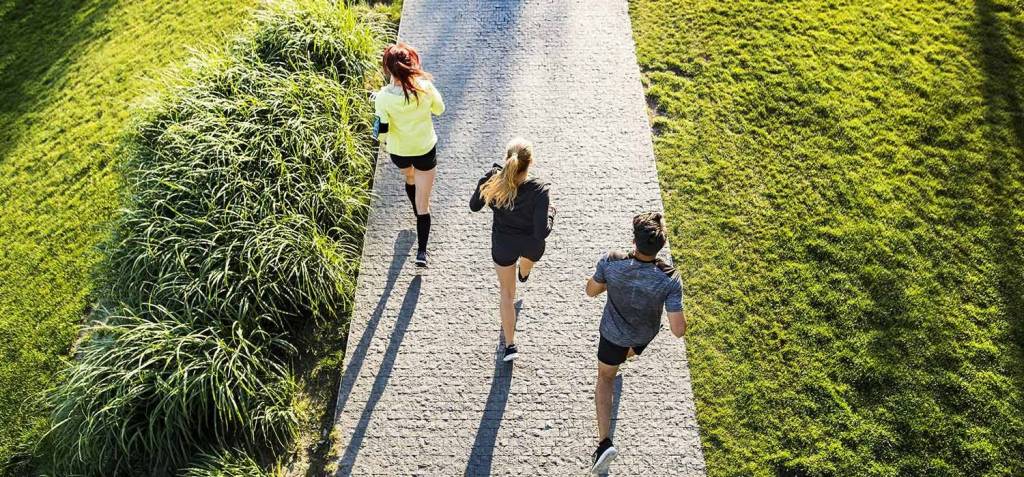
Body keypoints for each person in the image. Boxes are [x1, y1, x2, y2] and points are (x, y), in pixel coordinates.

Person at [584, 212, 687, 473]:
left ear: (634, 240)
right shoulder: (670, 277)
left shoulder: (611, 261)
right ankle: (621, 360)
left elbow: (591, 291)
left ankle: (604, 444)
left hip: (612, 335)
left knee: (605, 378)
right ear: (661, 245)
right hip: (642, 336)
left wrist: (610, 282)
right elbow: (678, 330)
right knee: (624, 355)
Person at [470, 138, 555, 363]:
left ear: (507, 158)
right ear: (530, 162)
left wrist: (485, 180)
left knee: (507, 294)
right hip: (530, 244)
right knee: (527, 264)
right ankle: (524, 274)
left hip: (504, 244)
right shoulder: (539, 190)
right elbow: (541, 232)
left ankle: (510, 346)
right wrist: (551, 215)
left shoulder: (493, 180)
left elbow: (474, 206)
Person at [374, 42, 445, 267]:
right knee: (424, 204)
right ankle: (421, 253)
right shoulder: (424, 88)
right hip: (424, 149)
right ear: (411, 64)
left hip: (399, 152)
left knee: (410, 177)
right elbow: (440, 109)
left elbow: (381, 132)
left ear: (388, 69)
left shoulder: (383, 97)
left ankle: (414, 205)